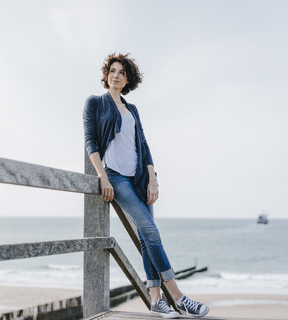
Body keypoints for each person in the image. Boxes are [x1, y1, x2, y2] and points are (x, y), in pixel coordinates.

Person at [83, 53, 209, 318]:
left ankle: (155, 300)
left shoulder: (133, 109)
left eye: (122, 73)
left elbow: (144, 145)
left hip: (139, 178)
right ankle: (179, 297)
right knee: (151, 233)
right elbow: (90, 142)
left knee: (145, 236)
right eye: (113, 71)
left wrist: (152, 178)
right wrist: (102, 176)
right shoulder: (95, 103)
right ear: (106, 74)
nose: (116, 75)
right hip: (116, 177)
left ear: (128, 79)